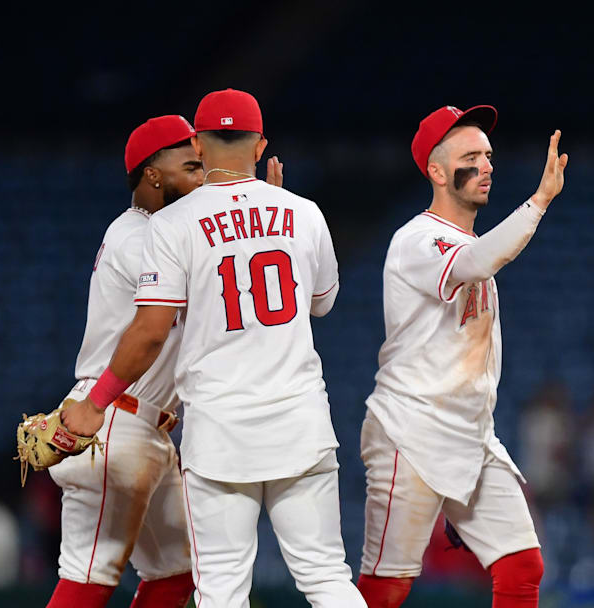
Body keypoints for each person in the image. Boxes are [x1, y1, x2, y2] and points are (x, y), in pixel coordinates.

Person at [60, 89, 365, 608]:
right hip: (299, 424)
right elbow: (322, 302)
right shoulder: (304, 211)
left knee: (220, 590)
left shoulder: (173, 224)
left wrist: (94, 403)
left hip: (219, 433)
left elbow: (152, 330)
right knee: (327, 579)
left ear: (200, 145)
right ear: (262, 142)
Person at [356, 105, 567, 608]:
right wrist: (539, 201)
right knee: (386, 587)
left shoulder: (470, 241)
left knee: (522, 565)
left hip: (470, 434)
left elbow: (479, 257)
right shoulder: (417, 238)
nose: (486, 166)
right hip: (410, 428)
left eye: (489, 155)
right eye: (470, 156)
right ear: (436, 170)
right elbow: (476, 261)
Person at [45, 115, 202, 608]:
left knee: (178, 574)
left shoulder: (164, 234)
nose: (203, 177)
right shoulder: (138, 236)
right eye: (191, 165)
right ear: (152, 175)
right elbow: (205, 300)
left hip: (146, 429)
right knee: (88, 579)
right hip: (112, 417)